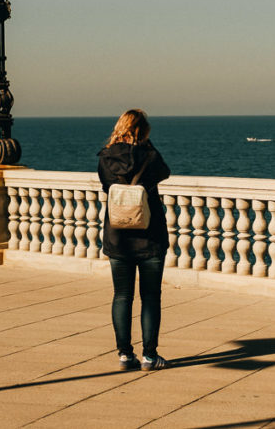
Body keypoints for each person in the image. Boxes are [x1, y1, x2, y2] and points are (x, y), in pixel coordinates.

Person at [97, 109, 171, 371]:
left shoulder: (106, 157)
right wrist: (146, 146)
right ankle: (150, 356)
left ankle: (125, 355)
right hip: (149, 236)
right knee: (151, 297)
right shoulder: (150, 156)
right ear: (144, 131)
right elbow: (165, 172)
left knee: (122, 296)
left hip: (118, 236)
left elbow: (108, 187)